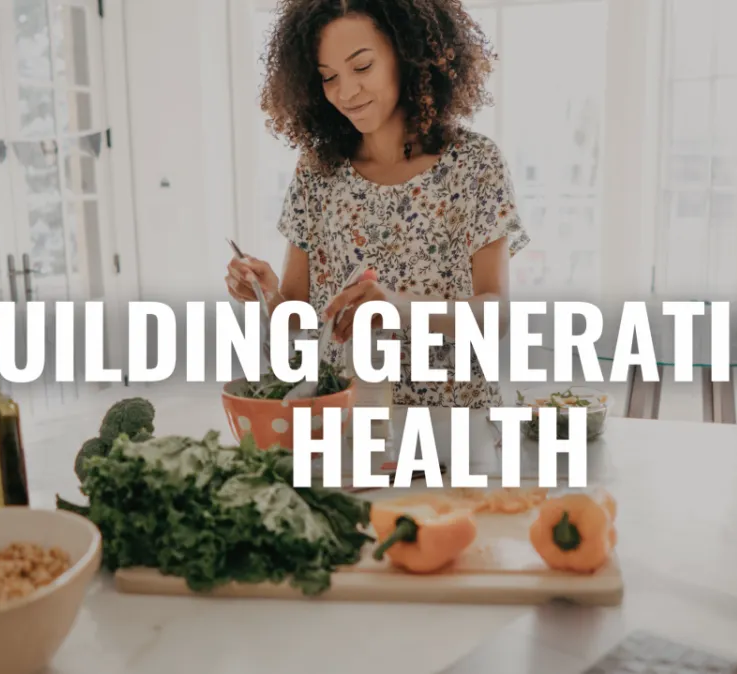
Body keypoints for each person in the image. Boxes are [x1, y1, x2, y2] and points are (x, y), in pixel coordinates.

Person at [226, 0, 530, 408]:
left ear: (408, 55)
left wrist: (399, 308)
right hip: (345, 421)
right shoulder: (318, 173)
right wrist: (268, 295)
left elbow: (497, 318)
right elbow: (298, 323)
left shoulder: (475, 164)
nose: (346, 92)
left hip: (453, 424)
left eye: (362, 67)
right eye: (328, 77)